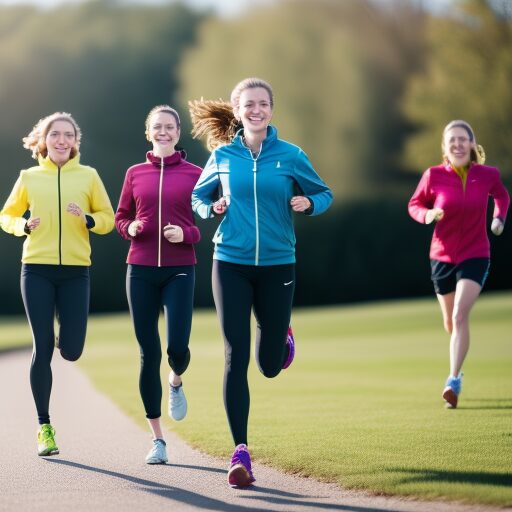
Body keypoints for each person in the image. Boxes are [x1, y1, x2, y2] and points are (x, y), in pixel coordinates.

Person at [189, 77, 333, 486]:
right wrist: (210, 206)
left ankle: (279, 335)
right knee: (235, 354)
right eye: (248, 104)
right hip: (229, 261)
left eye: (263, 104)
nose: (256, 110)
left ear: (271, 109)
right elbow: (198, 199)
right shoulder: (222, 156)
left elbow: (324, 195)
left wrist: (309, 203)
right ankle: (240, 452)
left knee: (268, 366)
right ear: (237, 110)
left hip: (277, 264)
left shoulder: (291, 155)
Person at [0, 112, 114, 456]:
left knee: (72, 349)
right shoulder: (29, 177)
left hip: (76, 271)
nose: (61, 140)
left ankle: (67, 331)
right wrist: (23, 226)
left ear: (75, 141)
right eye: (55, 135)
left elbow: (108, 219)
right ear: (44, 140)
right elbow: (5, 216)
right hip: (36, 269)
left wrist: (89, 219)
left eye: (68, 134)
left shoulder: (89, 176)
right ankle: (44, 427)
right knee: (42, 345)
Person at [115, 105, 202, 464]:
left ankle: (176, 380)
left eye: (169, 127)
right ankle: (158, 441)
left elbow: (204, 225)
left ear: (178, 133)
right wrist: (129, 228)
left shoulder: (197, 173)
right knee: (147, 353)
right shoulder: (135, 173)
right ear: (148, 132)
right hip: (140, 270)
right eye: (157, 127)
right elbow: (122, 216)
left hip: (181, 268)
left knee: (177, 349)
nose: (163, 132)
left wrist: (185, 233)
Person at [408, 119, 509, 409]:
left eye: (463, 139)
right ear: (445, 147)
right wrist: (426, 215)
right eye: (452, 139)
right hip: (441, 256)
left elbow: (501, 195)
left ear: (472, 144)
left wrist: (498, 217)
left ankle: (452, 380)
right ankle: (458, 362)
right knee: (450, 322)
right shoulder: (433, 176)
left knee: (461, 316)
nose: (458, 144)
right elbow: (415, 204)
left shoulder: (487, 175)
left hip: (476, 253)